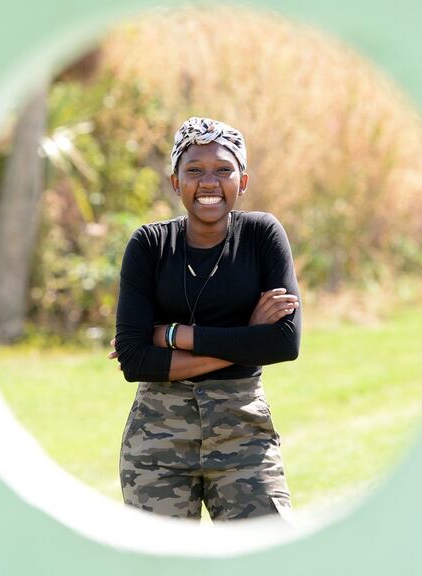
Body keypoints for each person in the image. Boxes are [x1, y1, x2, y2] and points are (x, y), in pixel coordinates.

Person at [108, 117, 302, 521]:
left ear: (242, 181)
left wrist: (172, 336)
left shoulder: (261, 235)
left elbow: (284, 343)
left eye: (223, 170)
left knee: (270, 549)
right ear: (175, 182)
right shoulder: (150, 245)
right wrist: (249, 337)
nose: (209, 182)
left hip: (243, 435)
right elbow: (135, 361)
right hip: (157, 443)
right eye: (194, 170)